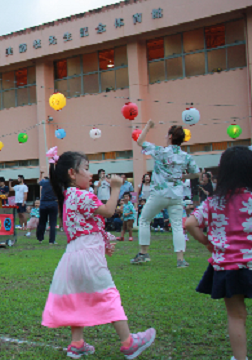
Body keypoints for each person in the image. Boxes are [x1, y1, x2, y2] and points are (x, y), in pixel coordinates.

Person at [42, 149, 156, 359]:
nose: (90, 174)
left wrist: (104, 241)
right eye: (86, 169)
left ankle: (77, 343)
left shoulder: (69, 196)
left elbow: (88, 226)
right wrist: (115, 189)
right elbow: (108, 211)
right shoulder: (82, 194)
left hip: (73, 256)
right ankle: (128, 342)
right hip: (87, 256)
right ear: (72, 173)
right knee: (108, 294)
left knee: (78, 297)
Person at [184, 146, 252, 360]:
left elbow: (190, 223)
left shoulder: (213, 202)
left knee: (236, 315)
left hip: (228, 267)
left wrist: (207, 242)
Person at [132, 120, 200, 267]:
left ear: (170, 136)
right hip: (176, 195)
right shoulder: (185, 156)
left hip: (159, 194)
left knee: (144, 220)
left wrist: (148, 127)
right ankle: (180, 260)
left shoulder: (160, 151)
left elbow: (140, 142)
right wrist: (183, 177)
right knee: (176, 226)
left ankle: (143, 254)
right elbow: (196, 174)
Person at [37, 170, 59, 244]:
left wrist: (40, 174)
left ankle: (40, 238)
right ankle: (52, 240)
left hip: (43, 204)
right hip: (53, 203)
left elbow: (38, 182)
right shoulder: (57, 184)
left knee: (42, 222)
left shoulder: (45, 182)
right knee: (53, 223)